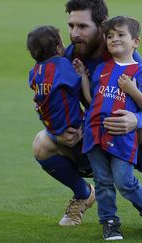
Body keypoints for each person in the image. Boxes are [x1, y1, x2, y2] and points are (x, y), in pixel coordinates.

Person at [32, 0, 142, 226]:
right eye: (71, 26)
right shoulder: (67, 58)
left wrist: (136, 120)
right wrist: (59, 132)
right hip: (90, 137)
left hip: (122, 138)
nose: (74, 34)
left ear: (102, 26)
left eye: (82, 27)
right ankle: (84, 194)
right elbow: (47, 102)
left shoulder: (124, 55)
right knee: (41, 143)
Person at [76, 15, 142, 240]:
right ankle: (109, 222)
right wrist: (83, 78)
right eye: (110, 36)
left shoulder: (140, 72)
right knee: (103, 183)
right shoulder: (102, 68)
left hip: (122, 137)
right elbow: (92, 100)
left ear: (135, 42)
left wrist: (131, 89)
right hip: (95, 135)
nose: (114, 39)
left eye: (121, 35)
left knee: (124, 181)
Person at [26, 25, 96, 226]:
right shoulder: (62, 66)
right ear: (58, 47)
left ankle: (85, 189)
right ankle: (90, 188)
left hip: (55, 129)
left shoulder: (36, 71)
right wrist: (82, 74)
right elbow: (79, 88)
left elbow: (38, 92)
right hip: (77, 129)